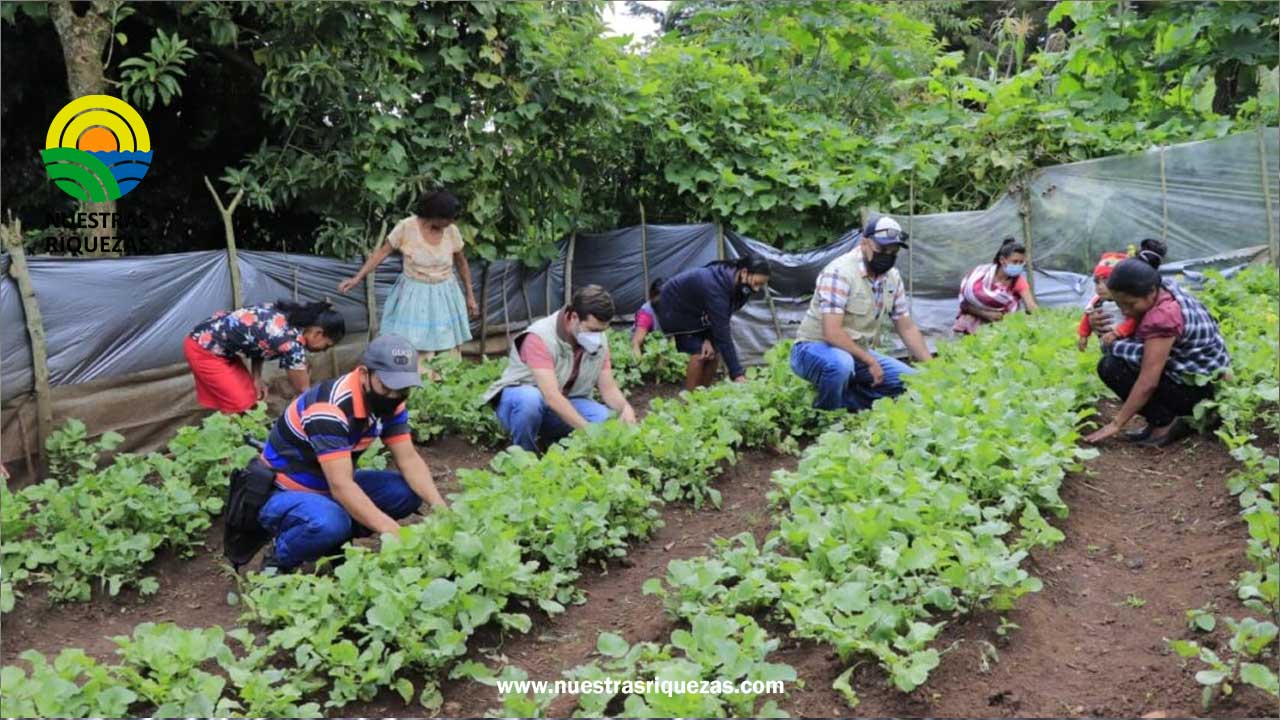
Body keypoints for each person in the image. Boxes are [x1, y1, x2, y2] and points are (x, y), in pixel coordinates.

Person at [256, 334, 448, 571]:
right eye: (387, 387)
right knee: (330, 521)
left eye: (402, 388)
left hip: (328, 483)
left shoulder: (391, 402)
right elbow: (341, 486)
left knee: (405, 492)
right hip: (284, 492)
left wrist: (442, 509)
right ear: (365, 374)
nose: (395, 395)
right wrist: (394, 531)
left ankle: (333, 540)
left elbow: (409, 459)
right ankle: (280, 556)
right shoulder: (329, 408)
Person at [1083, 248, 1231, 449]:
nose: (1125, 311)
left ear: (1150, 292)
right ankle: (1161, 420)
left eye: (1130, 304)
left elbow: (1148, 381)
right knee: (1117, 355)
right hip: (1197, 378)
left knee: (1111, 366)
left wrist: (1116, 423)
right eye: (1119, 304)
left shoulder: (1163, 317)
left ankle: (1166, 422)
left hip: (1200, 394)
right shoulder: (1164, 288)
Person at [790, 215, 932, 411]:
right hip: (813, 348)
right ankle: (826, 413)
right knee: (841, 365)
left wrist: (933, 370)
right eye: (882, 249)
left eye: (894, 251)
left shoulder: (892, 277)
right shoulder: (840, 273)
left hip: (857, 351)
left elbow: (906, 326)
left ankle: (846, 401)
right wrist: (870, 361)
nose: (888, 256)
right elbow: (831, 333)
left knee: (911, 381)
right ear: (865, 243)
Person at [338, 188, 479, 376]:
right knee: (414, 344)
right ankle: (414, 384)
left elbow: (461, 261)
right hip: (414, 295)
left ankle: (446, 384)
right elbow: (382, 253)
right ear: (434, 214)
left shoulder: (451, 231)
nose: (451, 222)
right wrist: (357, 278)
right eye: (447, 218)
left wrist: (470, 295)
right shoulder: (406, 227)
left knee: (448, 344)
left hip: (445, 295)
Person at [483, 285, 637, 452]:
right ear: (573, 317)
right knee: (530, 400)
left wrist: (625, 408)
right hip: (523, 403)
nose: (597, 336)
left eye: (602, 331)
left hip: (565, 402)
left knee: (604, 419)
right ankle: (524, 453)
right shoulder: (539, 337)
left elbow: (608, 388)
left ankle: (554, 442)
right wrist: (587, 431)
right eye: (593, 330)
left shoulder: (598, 340)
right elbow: (551, 396)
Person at [184, 300, 344, 413]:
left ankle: (234, 445)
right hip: (204, 348)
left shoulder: (291, 317)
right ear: (318, 333)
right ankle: (226, 454)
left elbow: (258, 342)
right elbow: (302, 389)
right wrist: (325, 410)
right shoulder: (290, 342)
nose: (324, 350)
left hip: (219, 347)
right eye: (327, 345)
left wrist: (257, 378)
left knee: (250, 397)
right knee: (238, 403)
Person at [653, 255, 772, 390]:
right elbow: (722, 332)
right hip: (674, 308)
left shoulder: (742, 287)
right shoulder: (717, 287)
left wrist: (709, 338)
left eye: (762, 285)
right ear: (744, 272)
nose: (757, 289)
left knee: (713, 353)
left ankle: (703, 398)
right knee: (699, 353)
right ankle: (688, 403)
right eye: (757, 283)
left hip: (700, 311)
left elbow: (721, 318)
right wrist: (737, 374)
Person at [953, 237, 1039, 335]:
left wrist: (1044, 320)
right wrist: (986, 314)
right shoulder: (981, 275)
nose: (1018, 266)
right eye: (1014, 262)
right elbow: (964, 305)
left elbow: (1031, 305)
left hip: (998, 329)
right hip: (970, 325)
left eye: (1021, 262)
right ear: (1002, 260)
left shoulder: (1018, 281)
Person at [1077, 250, 1134, 351]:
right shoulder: (1097, 301)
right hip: (1105, 341)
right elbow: (1087, 315)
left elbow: (1135, 320)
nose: (1100, 287)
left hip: (1127, 342)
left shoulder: (1129, 302)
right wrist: (1083, 335)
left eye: (1106, 282)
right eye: (1097, 282)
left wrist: (1118, 332)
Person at [631, 278, 664, 356]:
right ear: (652, 297)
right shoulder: (646, 313)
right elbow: (636, 343)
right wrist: (639, 365)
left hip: (663, 347)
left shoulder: (673, 306)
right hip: (646, 351)